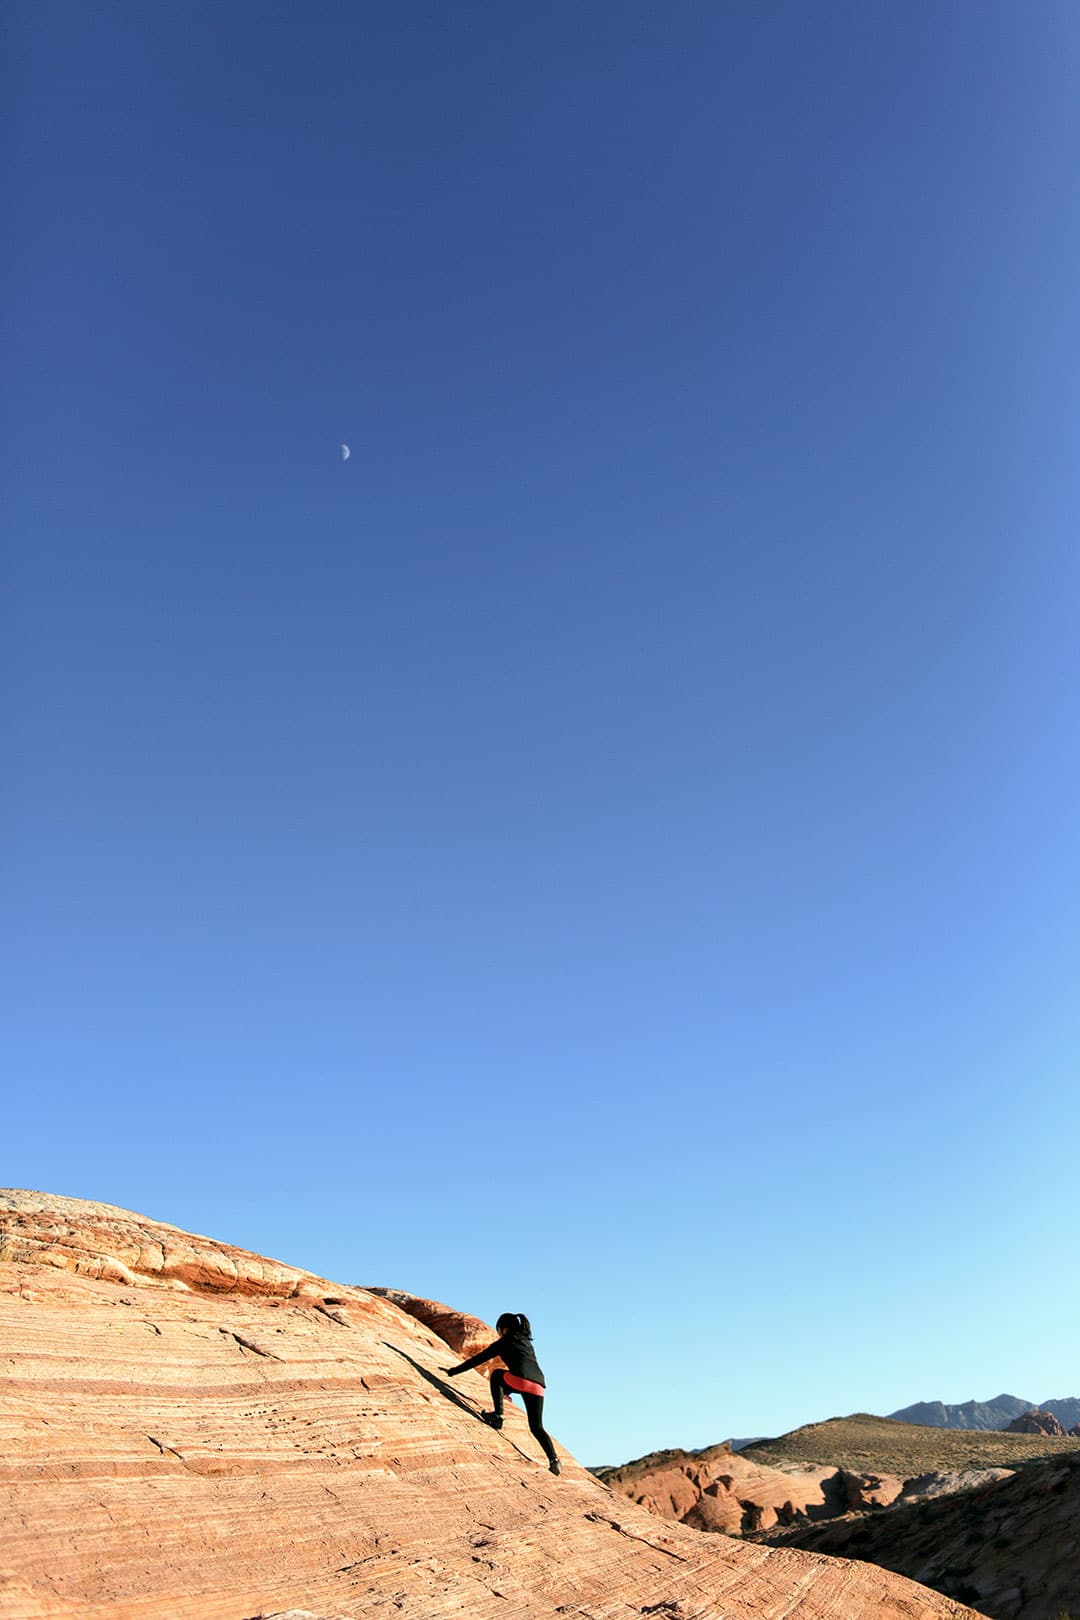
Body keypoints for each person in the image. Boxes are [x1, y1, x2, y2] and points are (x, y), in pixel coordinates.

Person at [444, 1312, 561, 1475]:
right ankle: (554, 1460)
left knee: (497, 1375)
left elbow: (479, 1358)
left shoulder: (504, 1342)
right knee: (537, 1426)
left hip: (520, 1380)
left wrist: (453, 1371)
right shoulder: (526, 1342)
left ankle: (498, 1416)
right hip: (538, 1386)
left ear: (504, 1329)